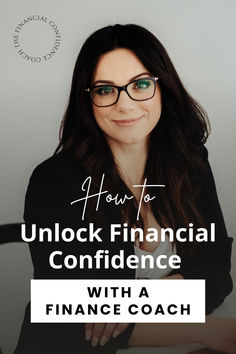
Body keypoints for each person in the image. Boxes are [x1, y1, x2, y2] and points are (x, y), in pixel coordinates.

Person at [14, 24, 235, 354]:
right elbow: (62, 315)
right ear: (87, 99)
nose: (125, 104)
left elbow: (215, 271)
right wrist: (199, 327)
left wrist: (122, 304)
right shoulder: (54, 181)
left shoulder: (189, 161)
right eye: (105, 90)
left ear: (163, 88)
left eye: (141, 84)